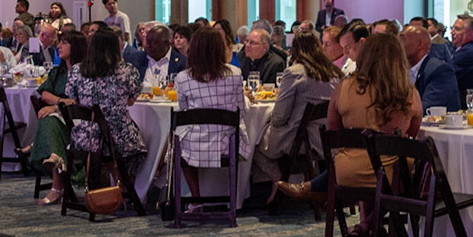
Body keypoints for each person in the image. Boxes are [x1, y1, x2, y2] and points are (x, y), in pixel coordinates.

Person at [275, 31, 422, 203]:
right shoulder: (409, 93)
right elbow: (411, 135)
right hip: (391, 176)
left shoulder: (344, 87)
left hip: (345, 173)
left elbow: (333, 131)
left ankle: (322, 193)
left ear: (365, 57)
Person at [253, 27, 341, 188]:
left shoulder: (294, 73)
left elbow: (280, 117)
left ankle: (278, 183)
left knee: (254, 141)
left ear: (295, 50)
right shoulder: (335, 72)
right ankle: (302, 182)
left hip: (301, 139)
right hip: (328, 140)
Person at [168, 25, 245, 196]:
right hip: (227, 142)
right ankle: (232, 197)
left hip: (194, 144)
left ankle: (195, 196)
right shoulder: (235, 74)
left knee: (176, 139)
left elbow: (184, 110)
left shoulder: (183, 78)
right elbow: (242, 110)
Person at [68, 26, 144, 191]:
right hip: (119, 136)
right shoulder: (127, 71)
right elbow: (131, 101)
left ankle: (106, 185)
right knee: (140, 147)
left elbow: (73, 99)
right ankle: (123, 187)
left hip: (86, 137)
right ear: (116, 48)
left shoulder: (76, 70)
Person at [30, 29, 88, 203]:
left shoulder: (85, 73)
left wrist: (56, 107)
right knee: (49, 121)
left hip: (80, 119)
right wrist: (61, 103)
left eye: (64, 43)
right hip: (61, 116)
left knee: (50, 121)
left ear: (75, 47)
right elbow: (44, 94)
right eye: (59, 42)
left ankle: (57, 185)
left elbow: (81, 101)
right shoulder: (58, 72)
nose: (58, 46)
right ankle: (56, 159)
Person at [403, 26, 460, 113]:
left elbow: (427, 108)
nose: (397, 44)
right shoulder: (400, 70)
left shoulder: (440, 71)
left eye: (403, 39)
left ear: (419, 44)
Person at [124, 24, 185, 91]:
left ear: (167, 43)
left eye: (154, 43)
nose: (148, 45)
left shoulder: (181, 63)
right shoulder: (135, 59)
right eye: (148, 41)